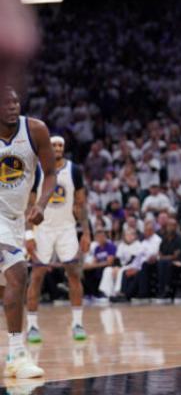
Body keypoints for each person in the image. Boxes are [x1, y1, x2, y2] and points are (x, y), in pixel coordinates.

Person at [0, 87, 57, 378]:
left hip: (15, 219)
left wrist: (41, 204)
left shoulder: (35, 130)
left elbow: (51, 174)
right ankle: (17, 355)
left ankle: (13, 355)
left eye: (15, 101)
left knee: (8, 287)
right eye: (5, 103)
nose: (12, 106)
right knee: (18, 273)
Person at [25, 135, 90, 343]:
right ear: (48, 147)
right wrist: (28, 234)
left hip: (67, 229)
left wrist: (86, 232)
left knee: (74, 274)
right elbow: (29, 204)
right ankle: (32, 326)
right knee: (37, 276)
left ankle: (77, 324)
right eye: (54, 145)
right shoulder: (37, 170)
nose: (58, 148)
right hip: (42, 229)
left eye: (61, 145)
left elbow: (80, 204)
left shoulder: (74, 170)